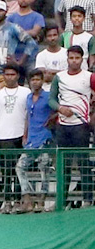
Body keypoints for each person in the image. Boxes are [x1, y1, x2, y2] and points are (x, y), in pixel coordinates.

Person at [48, 45, 95, 208]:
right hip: (63, 126)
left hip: (81, 125)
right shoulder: (59, 77)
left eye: (77, 58)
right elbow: (51, 99)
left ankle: (88, 199)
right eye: (71, 58)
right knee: (64, 164)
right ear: (67, 59)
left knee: (83, 163)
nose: (74, 61)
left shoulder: (89, 77)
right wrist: (60, 108)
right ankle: (62, 199)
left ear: (82, 60)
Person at [0, 63, 30, 213]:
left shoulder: (25, 92)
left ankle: (18, 202)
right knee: (6, 172)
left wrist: (27, 133)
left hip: (20, 136)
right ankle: (7, 201)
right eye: (7, 74)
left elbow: (28, 115)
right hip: (2, 137)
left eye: (12, 74)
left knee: (19, 171)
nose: (9, 77)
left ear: (18, 76)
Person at [15, 69, 54, 213]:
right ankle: (28, 199)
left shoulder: (48, 97)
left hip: (45, 138)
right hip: (31, 139)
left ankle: (41, 202)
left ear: (42, 81)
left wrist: (52, 119)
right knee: (19, 167)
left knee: (44, 171)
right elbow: (27, 117)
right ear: (29, 82)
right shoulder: (29, 97)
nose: (35, 82)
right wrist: (25, 135)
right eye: (33, 80)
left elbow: (56, 110)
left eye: (38, 79)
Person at [60, 6, 95, 70]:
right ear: (70, 18)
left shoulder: (90, 38)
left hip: (84, 70)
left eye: (79, 16)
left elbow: (91, 57)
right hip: (66, 70)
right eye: (74, 16)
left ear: (84, 18)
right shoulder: (64, 36)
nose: (76, 18)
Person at [35, 24, 67, 89]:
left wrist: (50, 72)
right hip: (46, 89)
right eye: (49, 36)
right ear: (45, 38)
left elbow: (68, 74)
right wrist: (59, 72)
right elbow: (43, 76)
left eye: (54, 35)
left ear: (59, 36)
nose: (52, 38)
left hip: (64, 89)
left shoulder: (67, 53)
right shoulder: (41, 55)